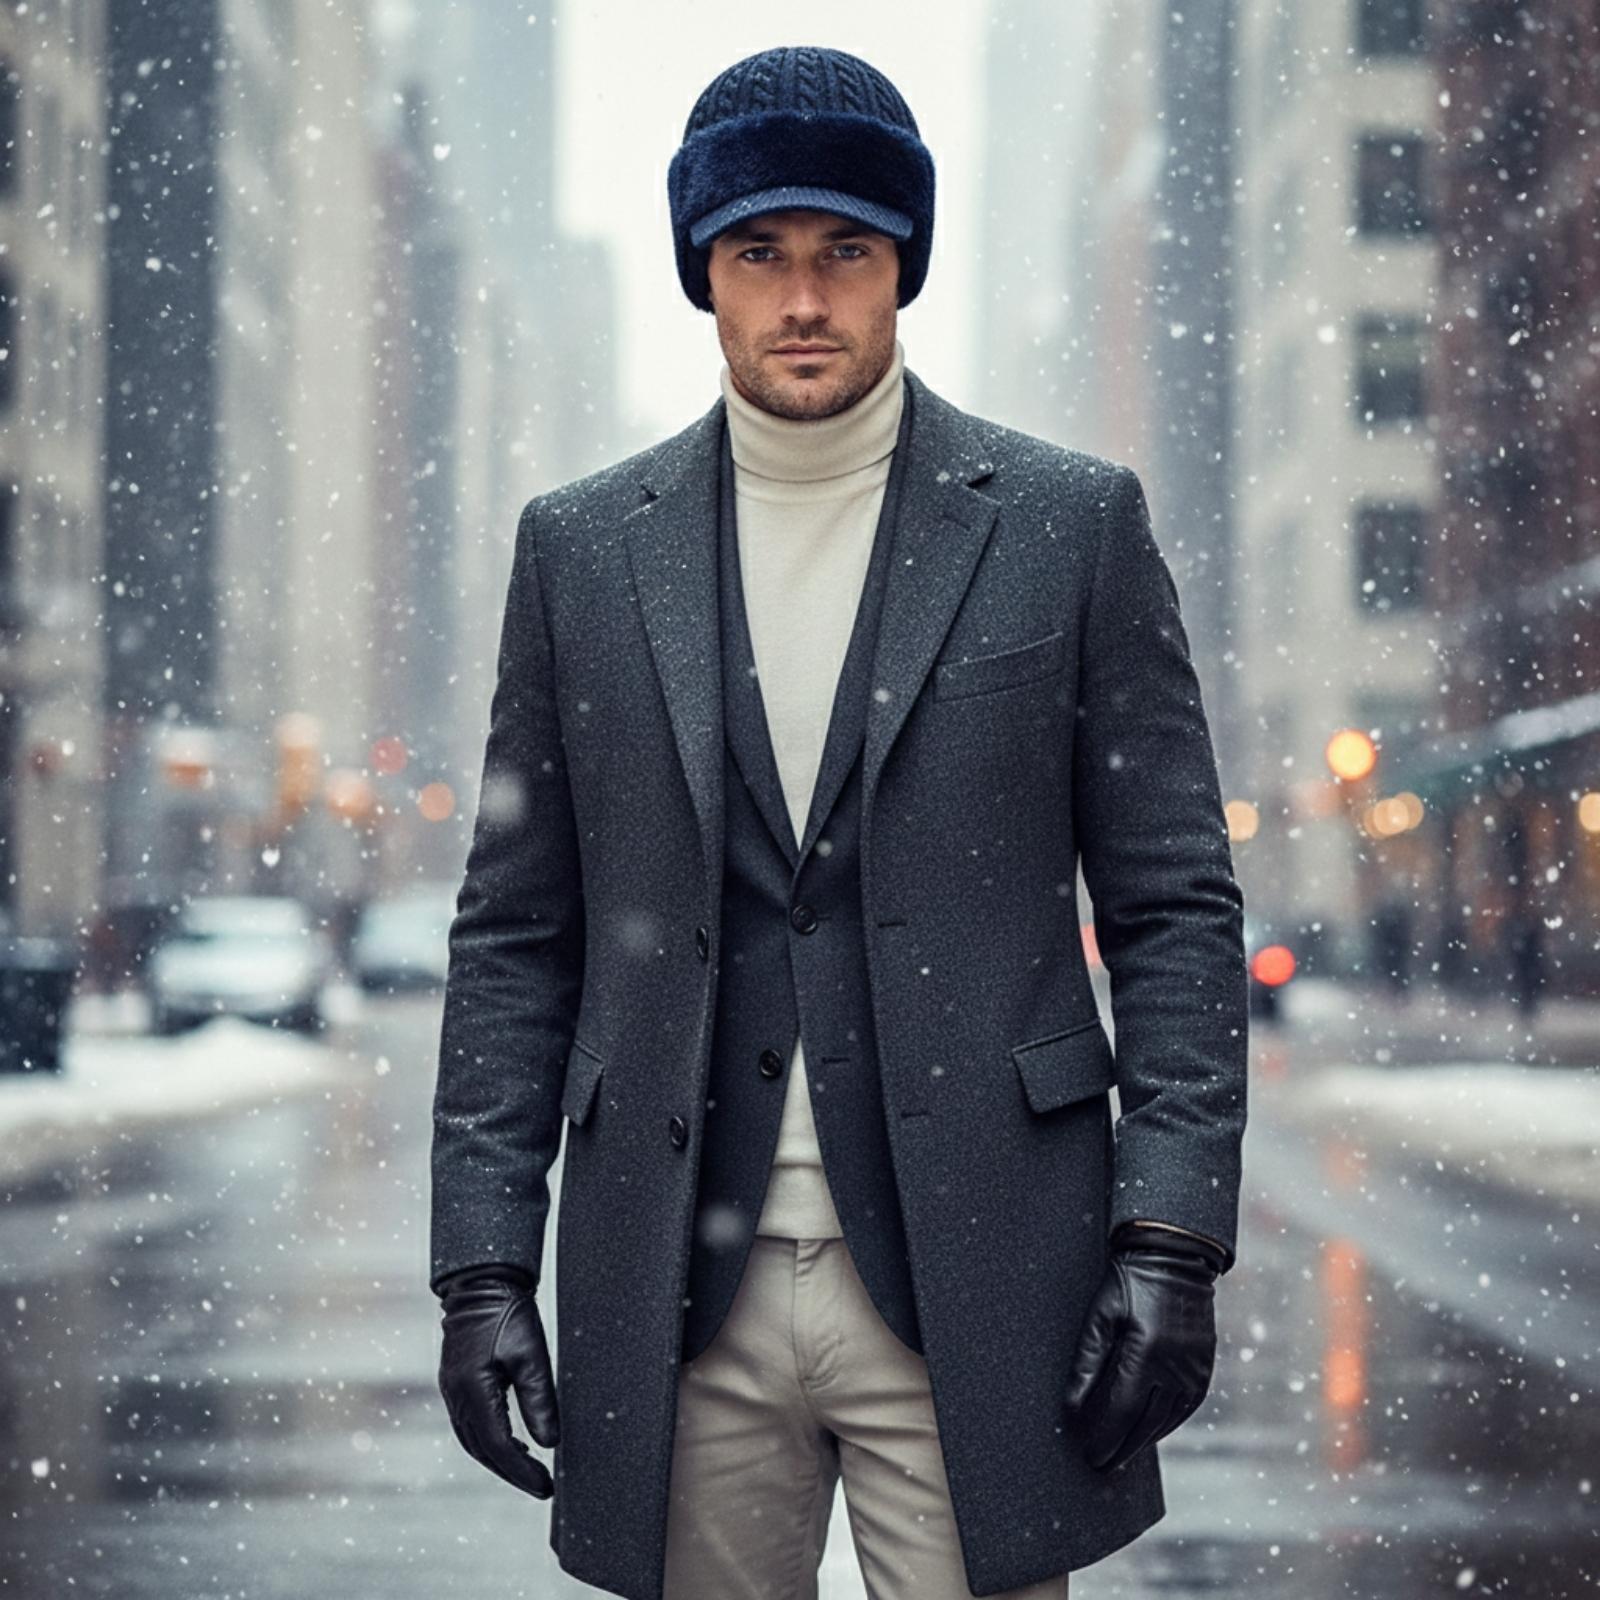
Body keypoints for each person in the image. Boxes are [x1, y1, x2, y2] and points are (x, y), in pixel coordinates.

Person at [430, 44, 1248, 1600]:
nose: (804, 299)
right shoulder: (582, 551)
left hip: (986, 1276)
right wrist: (479, 1265)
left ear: (902, 269)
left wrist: (1171, 1240)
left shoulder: (1069, 528)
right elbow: (515, 932)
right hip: (677, 1285)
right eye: (760, 254)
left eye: (846, 253)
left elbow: (1174, 912)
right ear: (706, 275)